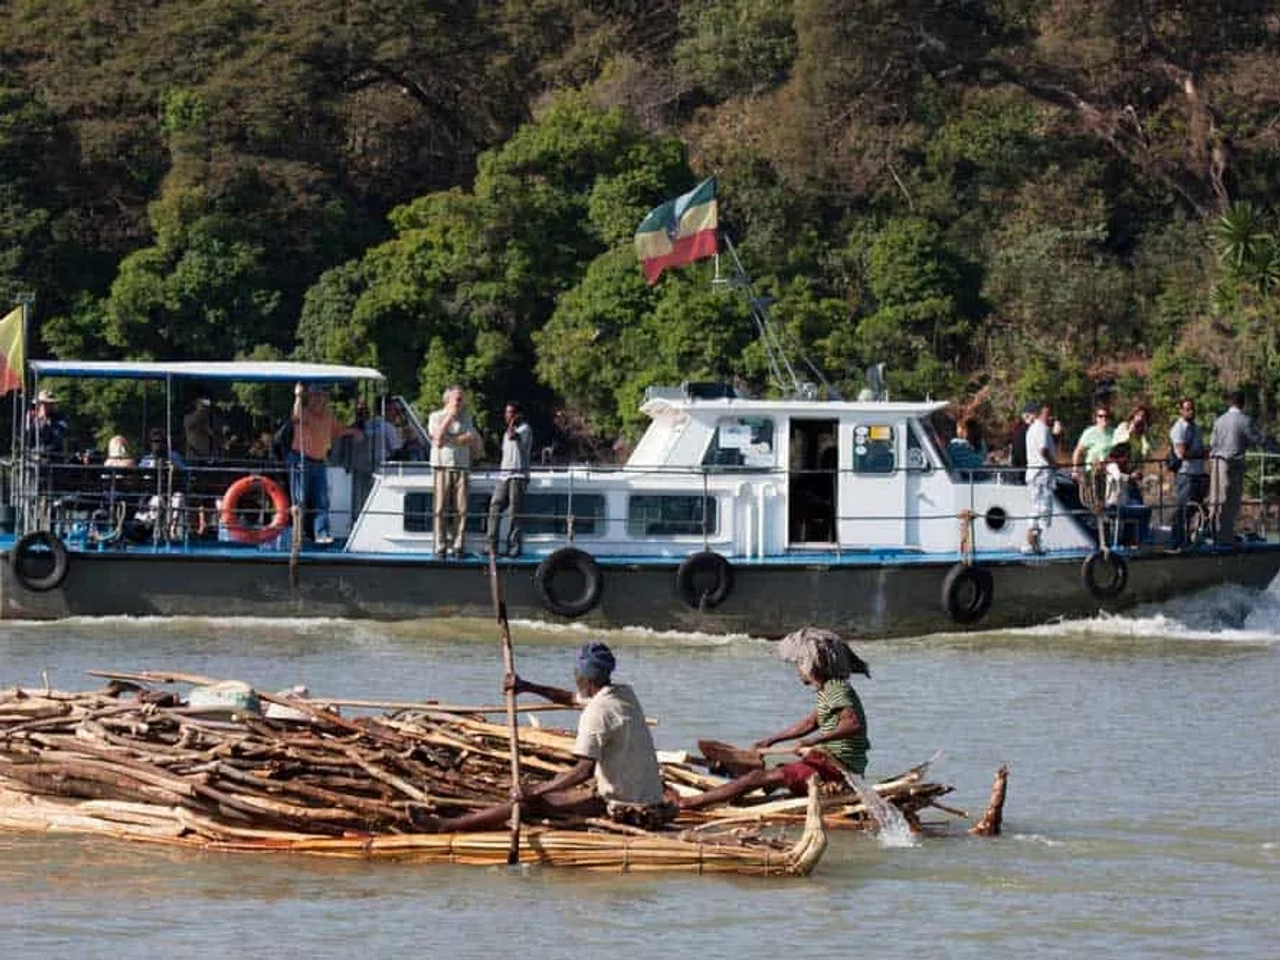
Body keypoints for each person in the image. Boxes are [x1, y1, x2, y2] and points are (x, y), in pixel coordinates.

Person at [430, 642, 672, 831]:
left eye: (576, 672)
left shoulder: (596, 713)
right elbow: (569, 698)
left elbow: (583, 771)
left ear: (585, 678)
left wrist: (536, 790)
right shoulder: (622, 694)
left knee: (528, 803)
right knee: (559, 782)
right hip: (647, 797)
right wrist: (527, 686)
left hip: (625, 807)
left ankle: (448, 826)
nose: (574, 675)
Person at [679, 627, 870, 811]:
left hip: (834, 769)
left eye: (799, 664)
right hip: (827, 762)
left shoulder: (835, 688)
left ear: (811, 664)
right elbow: (810, 723)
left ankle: (688, 803)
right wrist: (771, 740)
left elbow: (852, 723)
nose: (798, 670)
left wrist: (811, 741)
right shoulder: (829, 690)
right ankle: (744, 789)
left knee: (755, 778)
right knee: (771, 773)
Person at [291, 383, 361, 544]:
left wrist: (355, 431)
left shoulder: (328, 415)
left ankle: (321, 534)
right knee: (300, 498)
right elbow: (295, 417)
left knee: (322, 500)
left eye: (321, 396)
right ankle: (297, 536)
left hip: (320, 462)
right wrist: (298, 396)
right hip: (301, 461)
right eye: (315, 395)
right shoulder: (304, 413)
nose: (318, 399)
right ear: (309, 397)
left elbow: (338, 431)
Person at [427, 385, 483, 557]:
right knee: (440, 508)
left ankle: (458, 546)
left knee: (462, 509)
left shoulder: (466, 417)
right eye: (458, 398)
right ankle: (440, 546)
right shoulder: (435, 416)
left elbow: (470, 438)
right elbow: (436, 438)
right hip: (442, 466)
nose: (461, 402)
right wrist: (449, 417)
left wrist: (449, 439)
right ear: (448, 400)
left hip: (461, 466)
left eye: (462, 398)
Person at [1208, 389, 1265, 547]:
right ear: (1242, 403)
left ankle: (1213, 535)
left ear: (1230, 402)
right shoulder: (1244, 420)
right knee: (1231, 502)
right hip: (1233, 465)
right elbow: (1257, 439)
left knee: (1216, 501)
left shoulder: (1219, 420)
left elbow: (1212, 443)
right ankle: (1225, 538)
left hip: (1217, 463)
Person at [486, 401, 533, 556]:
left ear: (518, 414)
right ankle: (491, 545)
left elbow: (515, 437)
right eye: (506, 413)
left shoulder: (525, 429)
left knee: (515, 511)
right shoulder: (506, 433)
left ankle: (513, 547)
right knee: (495, 505)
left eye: (511, 412)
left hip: (518, 476)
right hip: (504, 475)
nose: (507, 415)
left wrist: (512, 423)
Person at [1168, 397, 1208, 550]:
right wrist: (1201, 453)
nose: (1191, 412)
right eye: (1187, 409)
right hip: (1185, 474)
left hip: (1198, 473)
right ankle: (1176, 542)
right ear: (1181, 410)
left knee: (1196, 509)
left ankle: (1191, 540)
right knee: (1182, 509)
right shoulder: (1179, 428)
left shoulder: (1196, 428)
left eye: (1192, 409)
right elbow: (1181, 453)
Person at [1024, 402, 1056, 555]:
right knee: (1042, 508)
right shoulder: (1041, 428)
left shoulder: (1032, 429)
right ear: (1041, 414)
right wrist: (1053, 463)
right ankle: (1034, 543)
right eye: (1048, 414)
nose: (1051, 417)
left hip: (1034, 473)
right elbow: (1043, 449)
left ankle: (1034, 543)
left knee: (1036, 508)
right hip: (1041, 474)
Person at [26, 389, 69, 459]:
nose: (47, 406)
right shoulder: (32, 417)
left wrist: (47, 421)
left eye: (50, 404)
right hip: (34, 456)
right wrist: (36, 420)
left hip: (54, 456)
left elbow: (59, 435)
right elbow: (27, 437)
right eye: (43, 403)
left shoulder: (60, 417)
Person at [948, 417, 987, 482]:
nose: (957, 430)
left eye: (958, 427)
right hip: (978, 476)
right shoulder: (981, 443)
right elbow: (982, 459)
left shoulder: (955, 444)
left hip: (965, 477)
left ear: (964, 429)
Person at [1007, 401, 1037, 484]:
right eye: (1035, 415)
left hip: (1020, 472)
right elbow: (1020, 454)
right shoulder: (1026, 431)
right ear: (1028, 416)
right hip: (1024, 474)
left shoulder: (1019, 430)